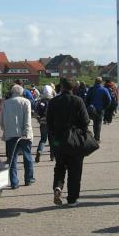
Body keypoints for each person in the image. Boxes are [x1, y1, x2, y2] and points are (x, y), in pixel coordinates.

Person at [48, 78, 91, 207]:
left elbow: (49, 122)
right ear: (73, 88)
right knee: (75, 170)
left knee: (59, 167)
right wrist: (83, 133)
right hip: (75, 140)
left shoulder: (53, 101)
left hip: (59, 140)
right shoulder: (78, 100)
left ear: (61, 87)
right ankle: (72, 199)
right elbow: (85, 120)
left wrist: (53, 137)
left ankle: (58, 187)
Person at [0, 84, 34, 189]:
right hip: (24, 134)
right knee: (27, 157)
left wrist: (5, 130)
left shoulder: (6, 103)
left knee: (12, 159)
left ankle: (14, 182)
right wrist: (26, 132)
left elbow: (2, 119)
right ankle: (28, 179)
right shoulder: (26, 102)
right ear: (22, 92)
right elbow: (28, 119)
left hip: (10, 134)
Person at [85, 77, 112, 142]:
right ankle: (97, 138)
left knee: (94, 122)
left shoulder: (91, 89)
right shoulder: (104, 89)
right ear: (101, 82)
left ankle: (93, 137)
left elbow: (86, 98)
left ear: (95, 82)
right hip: (100, 109)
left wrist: (87, 106)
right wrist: (105, 107)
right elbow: (109, 100)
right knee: (98, 123)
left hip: (91, 109)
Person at [35, 84, 54, 163]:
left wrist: (39, 119)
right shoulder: (54, 101)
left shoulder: (41, 101)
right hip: (52, 123)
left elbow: (37, 112)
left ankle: (39, 151)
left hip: (43, 122)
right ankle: (52, 156)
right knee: (52, 140)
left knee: (43, 139)